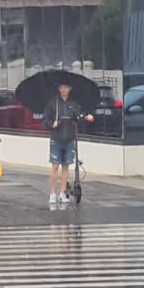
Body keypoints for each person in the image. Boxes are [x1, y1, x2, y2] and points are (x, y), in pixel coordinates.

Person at [42, 81, 93, 209]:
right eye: (62, 87)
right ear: (59, 89)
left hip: (70, 139)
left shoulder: (73, 104)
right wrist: (51, 125)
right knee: (55, 166)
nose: (64, 90)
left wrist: (86, 117)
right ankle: (52, 194)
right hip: (56, 139)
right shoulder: (53, 103)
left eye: (67, 88)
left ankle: (62, 193)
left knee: (66, 167)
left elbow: (78, 118)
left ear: (70, 89)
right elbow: (45, 119)